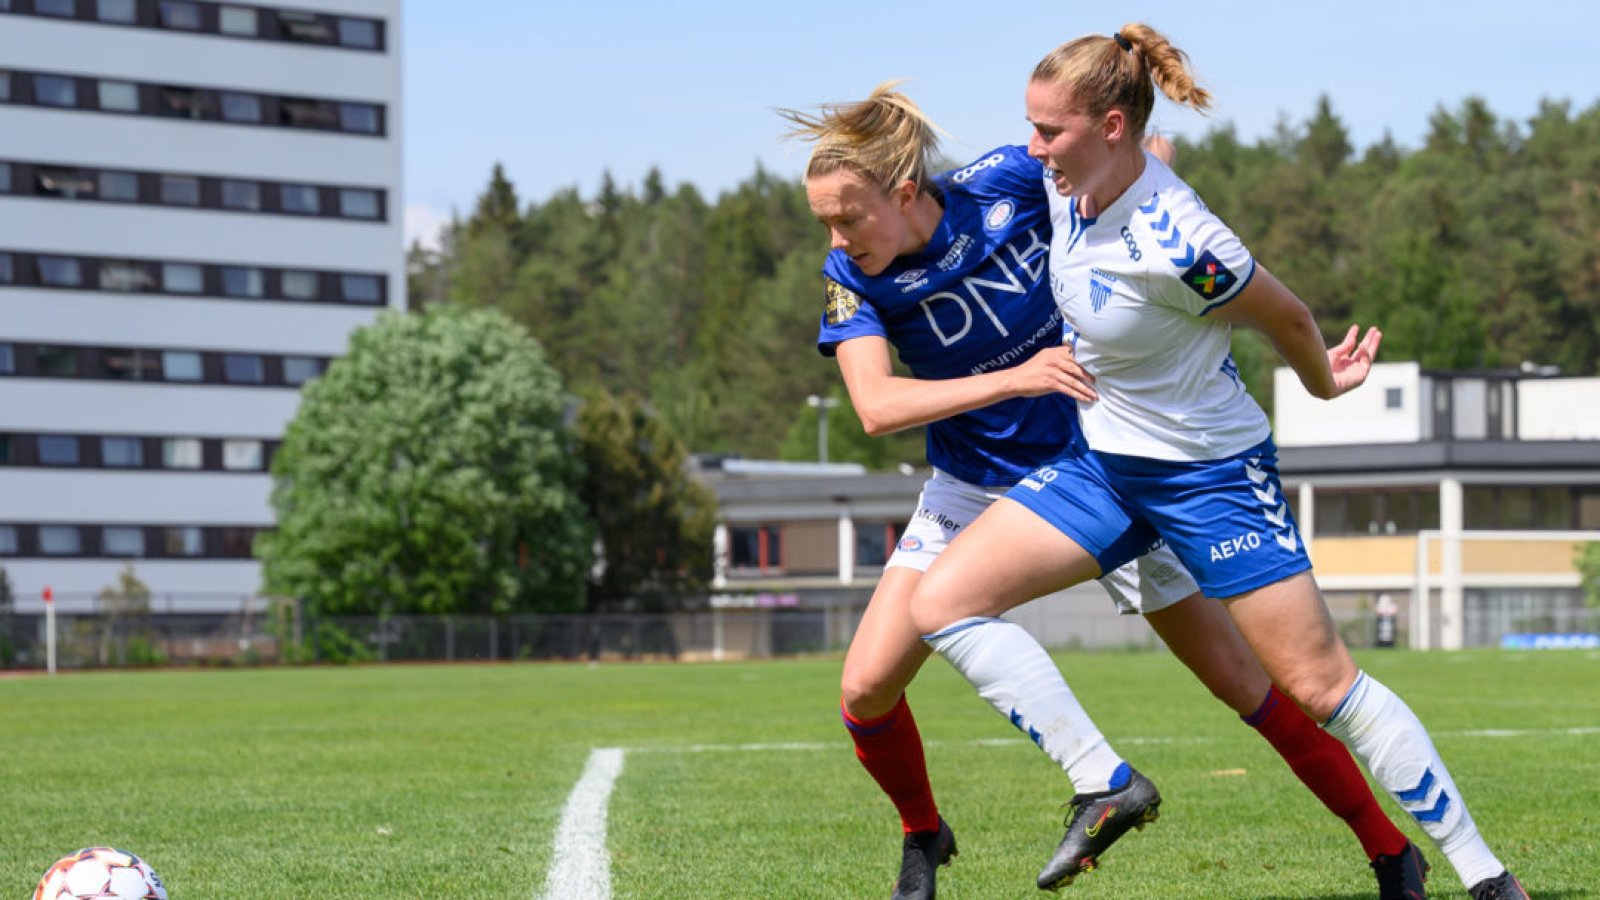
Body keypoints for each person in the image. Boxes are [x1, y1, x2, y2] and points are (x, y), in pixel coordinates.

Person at [907, 25, 1526, 900]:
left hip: (1210, 478)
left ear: (1111, 126)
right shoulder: (1060, 183)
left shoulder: (1184, 244)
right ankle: (1106, 783)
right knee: (942, 602)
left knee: (1319, 688)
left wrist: (1324, 383)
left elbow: (1290, 318)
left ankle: (1487, 877)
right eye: (1031, 126)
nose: (1032, 147)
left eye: (1051, 131)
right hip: (1105, 467)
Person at [781, 83, 1425, 899]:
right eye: (825, 223)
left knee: (1246, 685)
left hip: (1108, 471)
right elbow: (877, 407)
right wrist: (1013, 379)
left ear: (904, 193)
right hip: (973, 488)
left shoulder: (1007, 183)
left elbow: (1140, 164)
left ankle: (1389, 850)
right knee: (865, 688)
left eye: (847, 217)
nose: (835, 239)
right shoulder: (851, 275)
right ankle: (926, 835)